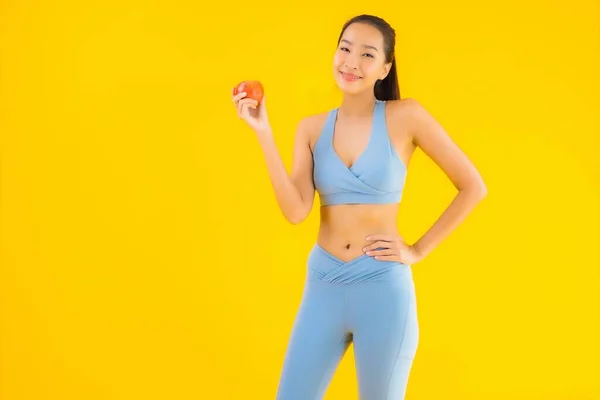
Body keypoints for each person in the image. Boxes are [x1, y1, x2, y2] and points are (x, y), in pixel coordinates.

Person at [231, 13, 487, 400]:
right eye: (345, 49)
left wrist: (417, 250)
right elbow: (296, 211)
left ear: (385, 68)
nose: (351, 62)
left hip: (382, 288)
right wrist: (263, 132)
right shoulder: (311, 128)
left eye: (367, 54)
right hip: (323, 284)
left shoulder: (406, 116)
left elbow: (473, 186)